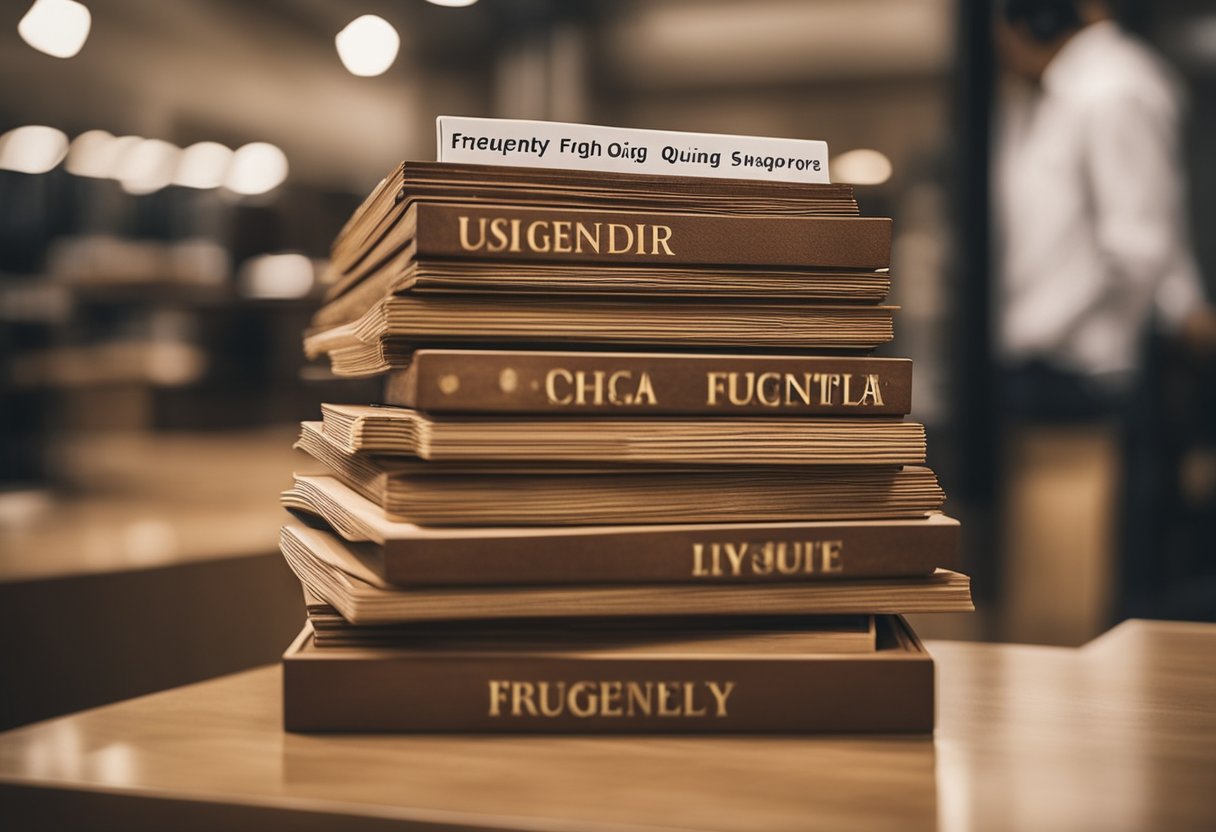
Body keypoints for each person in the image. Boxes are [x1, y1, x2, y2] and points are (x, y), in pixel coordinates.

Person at [993, 0, 1215, 640]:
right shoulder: (1067, 91)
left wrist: (1035, 331)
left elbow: (1138, 243)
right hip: (1056, 360)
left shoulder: (1112, 88)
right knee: (1059, 574)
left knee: (1092, 589)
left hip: (1084, 365)